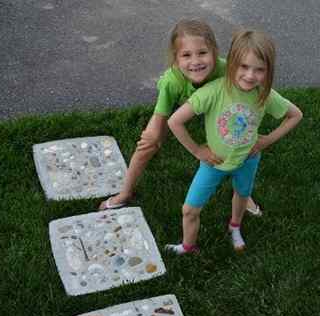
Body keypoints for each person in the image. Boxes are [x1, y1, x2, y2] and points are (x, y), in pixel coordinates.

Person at [99, 19, 262, 215]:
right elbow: (162, 115)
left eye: (202, 53)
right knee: (149, 142)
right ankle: (125, 193)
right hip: (181, 102)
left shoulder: (225, 70)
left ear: (215, 52)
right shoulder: (171, 82)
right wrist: (188, 147)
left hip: (215, 106)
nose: (196, 61)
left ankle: (244, 195)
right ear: (176, 60)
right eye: (186, 55)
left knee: (240, 140)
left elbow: (248, 100)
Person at [165, 29, 303, 255]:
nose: (250, 76)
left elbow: (295, 115)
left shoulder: (264, 94)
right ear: (231, 64)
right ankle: (188, 246)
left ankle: (234, 226)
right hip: (213, 163)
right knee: (189, 209)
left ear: (268, 70)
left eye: (259, 70)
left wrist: (266, 140)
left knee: (241, 194)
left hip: (247, 160)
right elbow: (175, 122)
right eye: (244, 67)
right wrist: (198, 150)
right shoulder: (213, 91)